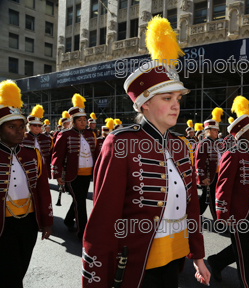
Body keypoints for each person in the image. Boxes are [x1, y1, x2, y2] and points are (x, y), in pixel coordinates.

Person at [82, 16, 210, 288]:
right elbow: (103, 222)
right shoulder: (120, 144)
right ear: (143, 105)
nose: (176, 105)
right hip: (135, 265)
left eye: (177, 99)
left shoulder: (180, 144)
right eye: (167, 98)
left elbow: (192, 207)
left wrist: (198, 255)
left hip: (174, 262)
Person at [208, 96, 249, 288]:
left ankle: (216, 262)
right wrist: (222, 213)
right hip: (236, 212)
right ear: (243, 133)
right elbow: (223, 185)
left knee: (246, 247)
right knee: (246, 254)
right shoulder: (233, 153)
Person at [0, 79, 53, 287]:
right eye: (12, 127)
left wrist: (47, 220)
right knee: (8, 272)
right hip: (3, 225)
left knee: (21, 266)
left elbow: (42, 190)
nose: (19, 131)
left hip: (29, 222)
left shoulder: (33, 154)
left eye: (22, 127)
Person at [51, 94, 96, 241]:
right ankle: (82, 231)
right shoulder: (65, 135)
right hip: (72, 175)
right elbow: (57, 155)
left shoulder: (91, 134)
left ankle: (69, 220)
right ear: (73, 121)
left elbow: (96, 153)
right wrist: (57, 174)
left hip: (87, 175)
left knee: (79, 199)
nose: (83, 123)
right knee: (81, 202)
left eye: (84, 120)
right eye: (80, 120)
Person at [195, 107, 224, 220]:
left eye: (217, 130)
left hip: (217, 175)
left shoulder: (217, 143)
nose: (217, 132)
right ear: (208, 131)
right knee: (210, 198)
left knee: (207, 199)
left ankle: (193, 216)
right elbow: (199, 162)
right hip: (209, 176)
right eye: (214, 130)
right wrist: (202, 177)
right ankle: (218, 221)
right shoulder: (204, 143)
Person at [23, 105, 53, 174]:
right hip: (27, 170)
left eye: (39, 125)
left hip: (44, 169)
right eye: (34, 125)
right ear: (29, 126)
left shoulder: (48, 139)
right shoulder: (22, 137)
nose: (37, 127)